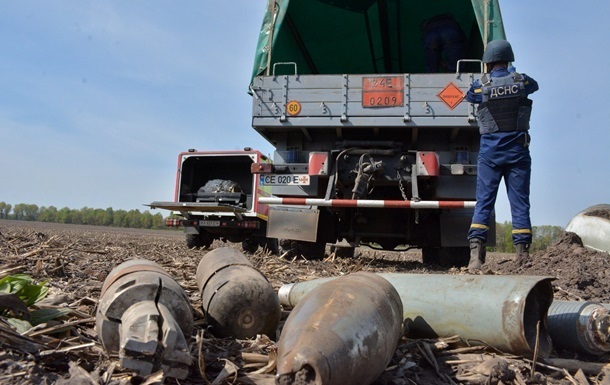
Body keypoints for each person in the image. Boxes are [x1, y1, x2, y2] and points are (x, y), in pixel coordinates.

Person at [466, 39, 539, 272]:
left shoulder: (481, 86)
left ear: (487, 62)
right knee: (520, 204)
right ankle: (522, 257)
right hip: (518, 153)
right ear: (509, 59)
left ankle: (476, 258)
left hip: (490, 155)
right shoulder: (522, 81)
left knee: (484, 203)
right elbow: (535, 86)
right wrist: (514, 75)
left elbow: (470, 96)